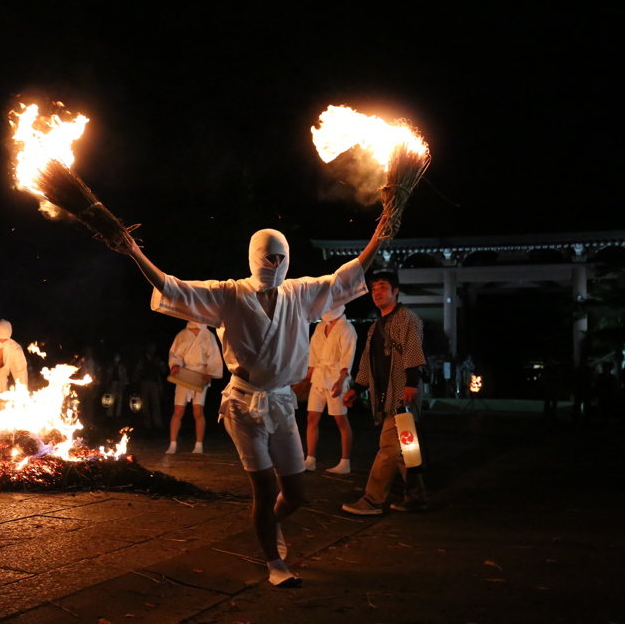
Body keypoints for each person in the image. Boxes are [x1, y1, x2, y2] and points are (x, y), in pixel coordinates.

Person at [123, 226, 383, 588]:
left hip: (280, 402)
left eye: (281, 258)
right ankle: (274, 562)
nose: (275, 264)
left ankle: (269, 524)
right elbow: (174, 287)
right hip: (243, 405)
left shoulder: (299, 293)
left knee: (294, 495)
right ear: (254, 257)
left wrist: (378, 240)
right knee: (264, 489)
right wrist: (134, 251)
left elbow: (346, 276)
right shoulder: (228, 294)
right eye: (268, 257)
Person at [342, 272, 427, 516]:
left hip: (403, 394)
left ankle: (372, 499)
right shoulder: (375, 327)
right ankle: (416, 496)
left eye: (382, 287)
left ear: (395, 291)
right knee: (407, 449)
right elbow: (368, 364)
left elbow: (413, 352)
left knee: (388, 447)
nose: (377, 292)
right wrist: (357, 388)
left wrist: (411, 384)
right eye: (373, 288)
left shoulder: (408, 319)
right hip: (386, 395)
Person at [303, 305, 357, 474]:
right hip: (319, 377)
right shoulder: (320, 326)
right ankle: (310, 459)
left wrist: (342, 381)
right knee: (312, 417)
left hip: (335, 378)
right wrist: (300, 379)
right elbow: (313, 359)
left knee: (341, 420)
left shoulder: (347, 328)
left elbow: (348, 358)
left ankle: (345, 462)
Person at [166, 321, 223, 454]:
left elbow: (213, 356)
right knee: (178, 410)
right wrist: (175, 364)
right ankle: (172, 444)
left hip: (200, 375)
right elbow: (175, 354)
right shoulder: (183, 334)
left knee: (198, 411)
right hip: (184, 373)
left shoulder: (208, 335)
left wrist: (210, 372)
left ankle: (198, 445)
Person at [133, 341, 166, 431]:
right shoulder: (143, 360)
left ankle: (157, 424)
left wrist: (162, 368)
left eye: (154, 348)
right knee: (145, 404)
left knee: (156, 404)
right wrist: (135, 383)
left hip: (154, 383)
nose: (153, 350)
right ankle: (147, 424)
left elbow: (164, 369)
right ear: (148, 349)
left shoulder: (156, 359)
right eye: (151, 348)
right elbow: (137, 371)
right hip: (145, 383)